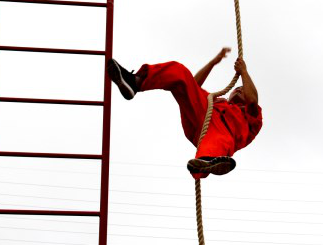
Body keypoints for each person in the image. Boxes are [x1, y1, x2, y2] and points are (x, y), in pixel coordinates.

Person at [107, 47, 262, 179]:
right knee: (179, 72)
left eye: (242, 89)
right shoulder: (216, 102)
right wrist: (212, 63)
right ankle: (135, 82)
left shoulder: (250, 116)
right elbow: (193, 85)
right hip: (201, 116)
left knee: (218, 140)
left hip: (221, 132)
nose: (239, 89)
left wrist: (243, 72)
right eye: (237, 88)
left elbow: (253, 100)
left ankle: (205, 163)